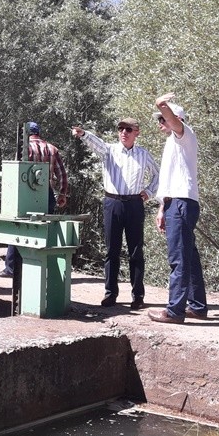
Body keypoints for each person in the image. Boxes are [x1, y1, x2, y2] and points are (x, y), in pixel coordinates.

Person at [71, 118, 158, 308]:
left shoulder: (143, 154)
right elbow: (97, 144)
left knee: (136, 251)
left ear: (137, 132)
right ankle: (110, 293)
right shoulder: (109, 150)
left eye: (128, 129)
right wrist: (84, 134)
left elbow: (157, 174)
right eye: (120, 129)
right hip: (112, 202)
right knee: (112, 250)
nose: (123, 132)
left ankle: (138, 296)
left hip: (134, 203)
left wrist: (149, 192)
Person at [149, 92, 208, 324]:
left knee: (179, 259)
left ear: (176, 119)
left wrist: (161, 104)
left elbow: (174, 122)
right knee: (189, 257)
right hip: (177, 202)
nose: (160, 123)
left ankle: (175, 311)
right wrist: (162, 208)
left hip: (182, 203)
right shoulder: (173, 143)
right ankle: (197, 307)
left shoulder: (184, 135)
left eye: (162, 118)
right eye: (159, 118)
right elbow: (170, 182)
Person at [0, 122, 68, 278]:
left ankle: (11, 268)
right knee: (43, 231)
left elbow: (17, 171)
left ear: (26, 134)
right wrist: (62, 194)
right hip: (46, 194)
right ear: (39, 132)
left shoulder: (24, 149)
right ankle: (43, 268)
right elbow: (62, 174)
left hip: (25, 194)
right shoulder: (52, 149)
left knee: (16, 228)